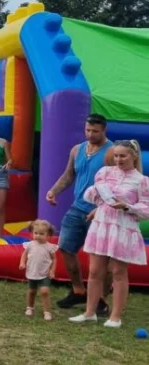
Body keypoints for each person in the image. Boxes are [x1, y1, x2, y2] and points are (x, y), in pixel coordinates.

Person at [70, 140, 149, 327]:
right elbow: (90, 195)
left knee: (119, 272)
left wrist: (127, 207)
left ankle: (115, 317)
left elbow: (146, 208)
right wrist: (97, 192)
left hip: (123, 228)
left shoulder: (141, 181)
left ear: (134, 156)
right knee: (95, 271)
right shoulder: (105, 173)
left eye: (123, 156)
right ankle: (90, 312)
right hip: (102, 225)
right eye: (116, 156)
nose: (119, 159)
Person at [46, 113, 114, 313]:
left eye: (95, 131)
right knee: (66, 247)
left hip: (101, 210)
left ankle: (101, 297)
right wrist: (54, 190)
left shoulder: (111, 152)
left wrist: (102, 208)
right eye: (88, 130)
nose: (90, 134)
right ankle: (78, 290)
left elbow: (117, 184)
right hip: (77, 207)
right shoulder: (77, 149)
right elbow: (69, 175)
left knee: (102, 257)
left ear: (104, 130)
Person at [19, 220, 57, 321]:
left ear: (48, 235)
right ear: (32, 233)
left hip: (44, 273)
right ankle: (30, 307)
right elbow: (24, 254)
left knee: (44, 291)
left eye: (41, 234)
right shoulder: (30, 244)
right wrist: (22, 263)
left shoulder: (50, 247)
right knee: (32, 291)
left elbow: (54, 259)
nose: (38, 236)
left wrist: (52, 270)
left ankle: (47, 312)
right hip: (32, 272)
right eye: (36, 233)